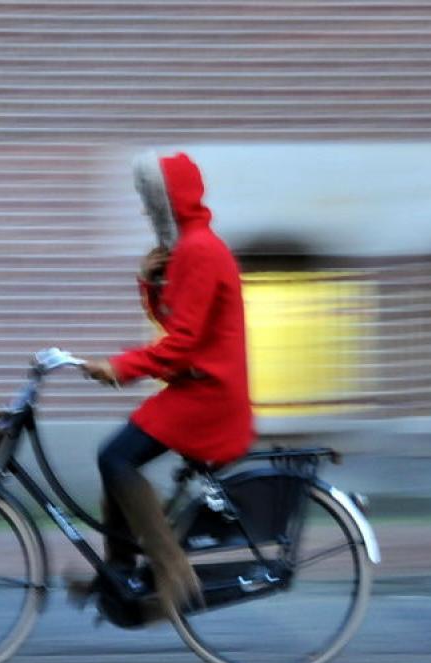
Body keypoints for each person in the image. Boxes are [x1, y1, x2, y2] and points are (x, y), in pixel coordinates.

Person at [78, 151, 255, 617]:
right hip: (195, 388)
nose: (144, 211)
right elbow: (175, 323)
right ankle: (119, 579)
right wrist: (149, 282)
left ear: (168, 202)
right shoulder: (191, 248)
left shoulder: (199, 251)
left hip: (208, 396)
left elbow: (182, 344)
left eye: (150, 202)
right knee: (116, 459)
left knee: (115, 457)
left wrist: (118, 368)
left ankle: (173, 572)